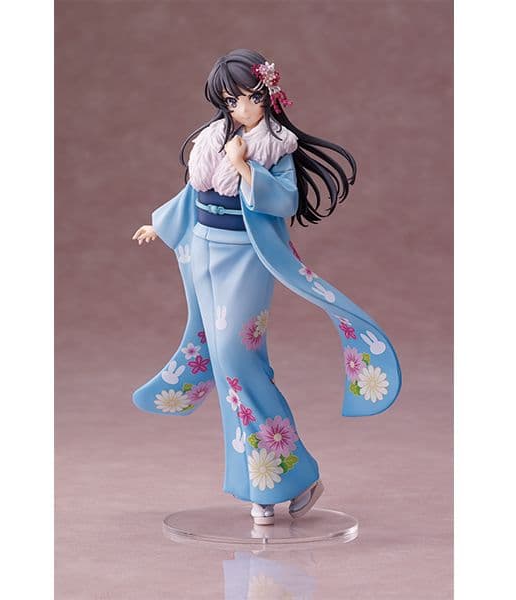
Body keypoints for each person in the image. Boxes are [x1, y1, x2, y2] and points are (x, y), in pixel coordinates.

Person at [132, 49, 402, 526]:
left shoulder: (276, 146)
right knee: (225, 365)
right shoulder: (213, 138)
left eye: (248, 98)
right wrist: (162, 223)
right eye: (229, 101)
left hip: (246, 256)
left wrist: (245, 168)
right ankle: (264, 484)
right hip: (204, 250)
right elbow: (195, 191)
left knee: (238, 357)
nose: (239, 108)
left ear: (267, 95)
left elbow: (284, 200)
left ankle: (290, 475)